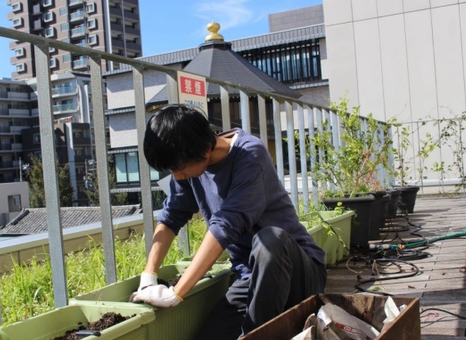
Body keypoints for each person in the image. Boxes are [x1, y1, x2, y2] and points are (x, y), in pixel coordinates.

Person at [131, 104, 327, 339]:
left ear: (205, 149)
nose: (176, 176)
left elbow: (226, 225)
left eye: (178, 169)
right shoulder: (189, 164)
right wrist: (149, 275)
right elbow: (171, 218)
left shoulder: (249, 155)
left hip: (299, 272)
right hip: (251, 276)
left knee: (269, 240)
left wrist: (177, 293)